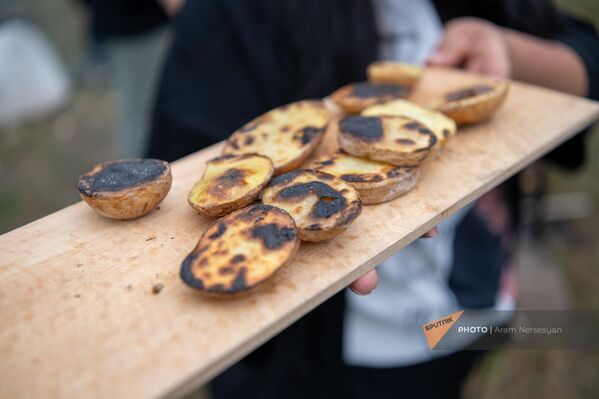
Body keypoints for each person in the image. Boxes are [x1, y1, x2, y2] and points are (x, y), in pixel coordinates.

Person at [147, 1, 599, 398]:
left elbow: (586, 54)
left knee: (455, 374)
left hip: (478, 300)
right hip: (350, 355)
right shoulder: (236, 15)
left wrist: (506, 48)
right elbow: (199, 171)